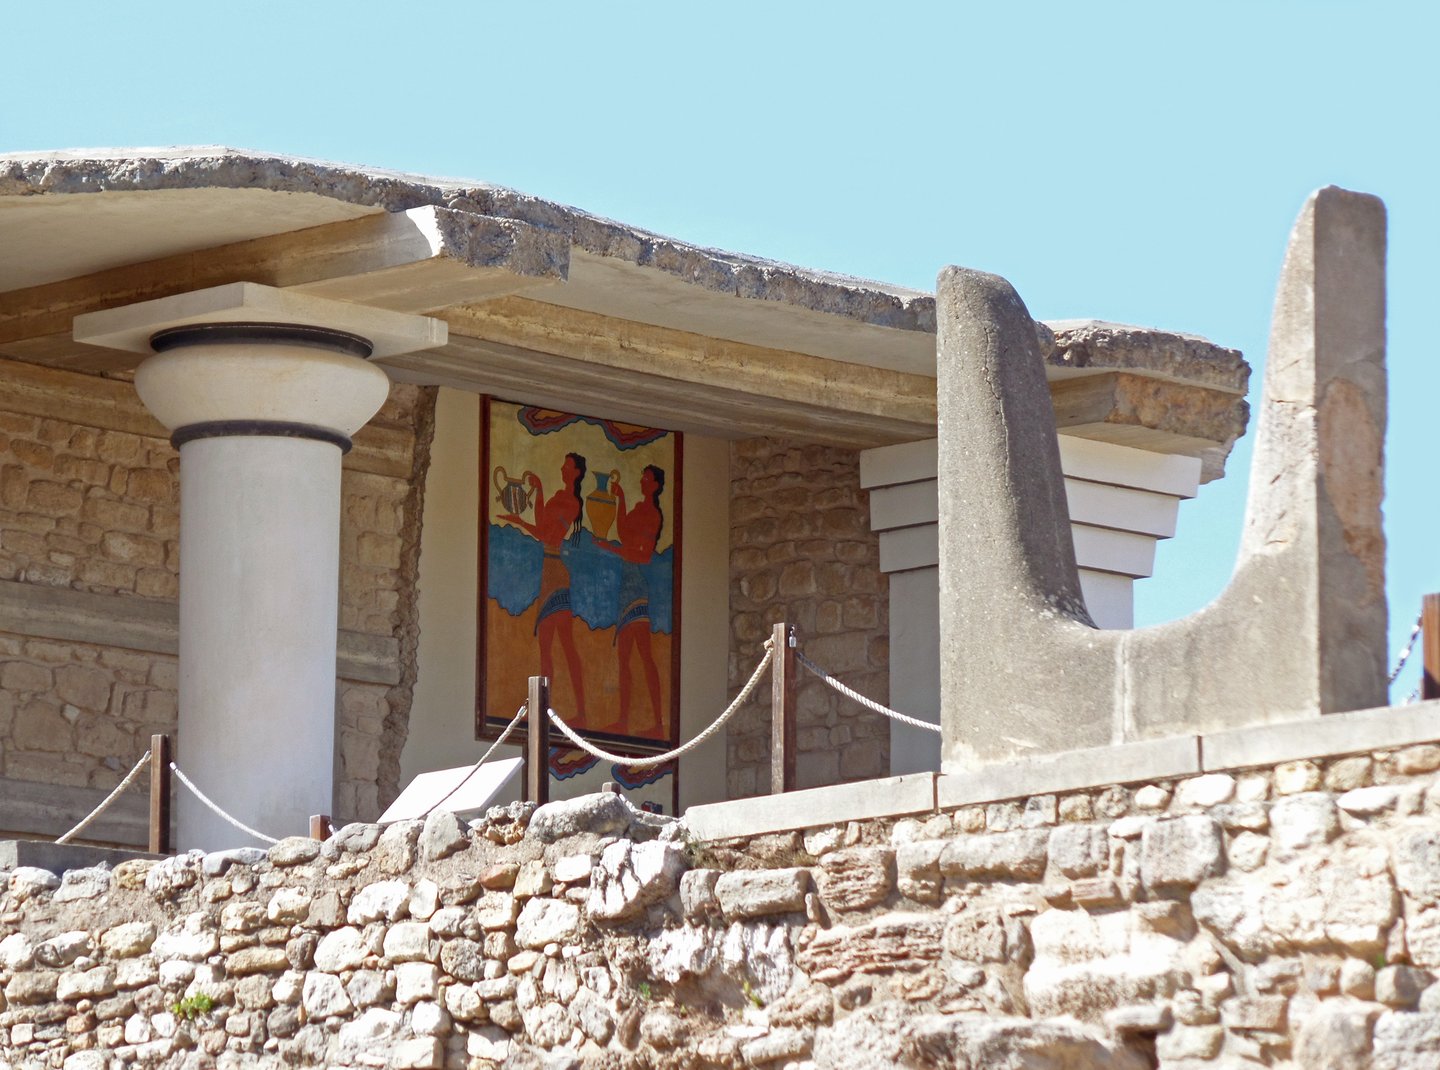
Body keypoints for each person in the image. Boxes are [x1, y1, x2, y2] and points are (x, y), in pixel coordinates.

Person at [500, 453, 589, 721]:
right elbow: (542, 525)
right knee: (546, 647)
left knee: (566, 645)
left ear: (576, 473)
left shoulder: (571, 502)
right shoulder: (558, 496)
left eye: (567, 466)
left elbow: (547, 534)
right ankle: (545, 712)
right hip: (547, 574)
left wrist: (520, 523)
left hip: (557, 575)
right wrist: (538, 491)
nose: (562, 469)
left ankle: (581, 711)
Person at [598, 464, 665, 734]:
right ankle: (624, 721)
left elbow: (644, 555)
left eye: (647, 479)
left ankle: (658, 723)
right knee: (624, 657)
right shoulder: (638, 509)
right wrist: (621, 498)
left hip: (637, 588)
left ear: (656, 486)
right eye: (642, 477)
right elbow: (624, 532)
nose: (643, 481)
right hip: (626, 588)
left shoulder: (653, 515)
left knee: (645, 656)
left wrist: (611, 549)